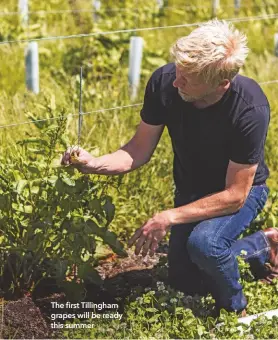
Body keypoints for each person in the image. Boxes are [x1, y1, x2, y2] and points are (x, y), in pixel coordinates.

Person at [61, 19, 278, 315]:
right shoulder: (166, 82)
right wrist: (93, 163)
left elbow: (235, 195)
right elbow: (137, 150)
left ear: (220, 82)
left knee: (205, 245)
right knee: (185, 281)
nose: (176, 82)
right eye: (178, 71)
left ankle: (235, 312)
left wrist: (168, 216)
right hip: (192, 189)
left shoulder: (249, 108)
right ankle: (261, 243)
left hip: (240, 192)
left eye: (188, 79)